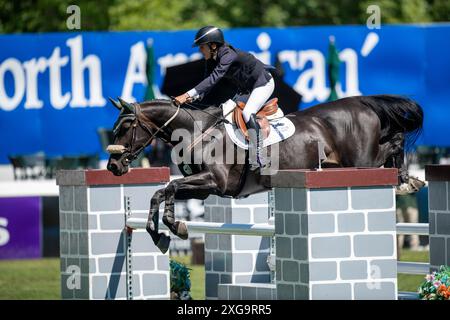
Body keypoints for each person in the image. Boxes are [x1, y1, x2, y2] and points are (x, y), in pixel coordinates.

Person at [174, 26, 275, 170]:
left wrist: (187, 94)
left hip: (263, 82)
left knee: (247, 113)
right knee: (226, 110)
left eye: (202, 47)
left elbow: (214, 78)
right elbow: (208, 81)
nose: (200, 51)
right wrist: (195, 97)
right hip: (247, 88)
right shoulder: (211, 59)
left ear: (213, 45)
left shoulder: (228, 54)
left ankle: (259, 155)